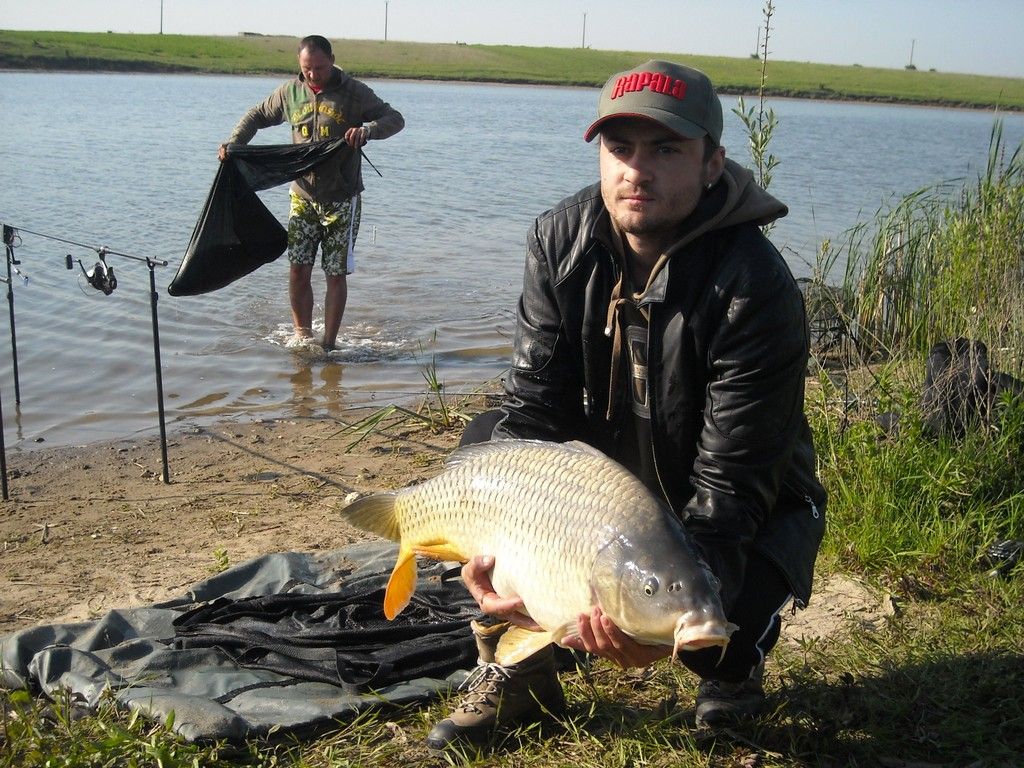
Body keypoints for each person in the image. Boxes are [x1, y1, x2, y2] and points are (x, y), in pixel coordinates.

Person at [425, 59, 827, 750]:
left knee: (703, 630)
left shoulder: (754, 284)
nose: (636, 171)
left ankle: (731, 674)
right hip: (604, 495)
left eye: (666, 150)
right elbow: (533, 410)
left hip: (732, 498)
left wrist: (663, 622)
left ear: (711, 163)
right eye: (620, 148)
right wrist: (496, 547)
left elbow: (732, 487)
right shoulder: (559, 240)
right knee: (486, 451)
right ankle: (518, 673)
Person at [218, 35, 404, 351]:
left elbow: (395, 119)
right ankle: (303, 338)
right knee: (297, 269)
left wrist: (368, 131)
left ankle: (329, 345)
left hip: (342, 199)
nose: (314, 74)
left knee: (335, 274)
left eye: (320, 67)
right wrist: (234, 144)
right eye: (307, 68)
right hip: (301, 197)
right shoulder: (290, 93)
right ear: (299, 64)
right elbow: (256, 116)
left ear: (332, 60)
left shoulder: (354, 92)